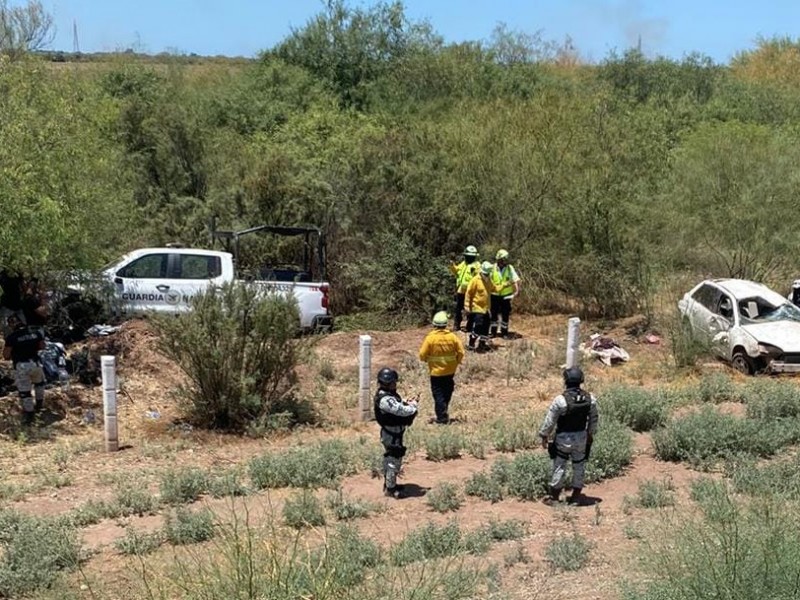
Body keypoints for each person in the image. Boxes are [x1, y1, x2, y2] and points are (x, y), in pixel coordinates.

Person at [538, 366, 599, 505]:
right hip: (581, 437)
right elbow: (594, 419)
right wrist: (590, 434)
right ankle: (576, 497)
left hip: (563, 438)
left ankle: (554, 497)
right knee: (579, 465)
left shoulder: (560, 400)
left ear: (565, 381)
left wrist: (544, 435)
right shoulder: (590, 398)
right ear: (581, 380)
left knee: (559, 465)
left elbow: (550, 420)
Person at [374, 367, 418, 499]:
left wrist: (407, 403)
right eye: (394, 382)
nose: (395, 384)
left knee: (392, 458)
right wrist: (413, 405)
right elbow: (402, 411)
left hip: (394, 432)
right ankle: (391, 489)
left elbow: (399, 406)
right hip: (391, 434)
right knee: (393, 459)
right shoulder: (385, 399)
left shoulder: (388, 395)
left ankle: (389, 484)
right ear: (388, 383)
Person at [418, 311, 465, 424]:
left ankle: (442, 418)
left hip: (436, 372)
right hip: (450, 371)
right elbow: (461, 352)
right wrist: (457, 361)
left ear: (434, 325)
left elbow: (422, 354)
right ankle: (444, 411)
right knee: (447, 391)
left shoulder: (430, 338)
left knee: (438, 394)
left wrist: (425, 360)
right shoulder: (452, 337)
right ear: (446, 324)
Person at [3, 314, 46, 425]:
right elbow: (42, 346)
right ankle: (40, 406)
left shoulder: (12, 337)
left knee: (25, 392)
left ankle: (29, 415)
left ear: (11, 325)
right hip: (36, 363)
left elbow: (6, 356)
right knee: (39, 384)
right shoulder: (36, 333)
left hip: (22, 366)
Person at [465, 261, 497, 352]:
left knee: (486, 327)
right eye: (485, 273)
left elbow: (494, 288)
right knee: (478, 327)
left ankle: (482, 344)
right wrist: (467, 306)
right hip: (477, 308)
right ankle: (471, 344)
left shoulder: (488, 280)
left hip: (486, 309)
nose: (486, 275)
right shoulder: (475, 280)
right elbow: (468, 293)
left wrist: (506, 285)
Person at [490, 249, 521, 338]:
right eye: (503, 259)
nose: (505, 261)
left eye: (506, 259)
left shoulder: (509, 268)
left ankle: (504, 332)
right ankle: (493, 332)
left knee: (505, 314)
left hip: (506, 296)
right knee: (494, 314)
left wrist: (517, 291)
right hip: (494, 295)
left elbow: (515, 279)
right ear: (499, 259)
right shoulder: (492, 268)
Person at [449, 246, 481, 332]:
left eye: (470, 256)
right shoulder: (464, 263)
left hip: (471, 292)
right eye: (467, 256)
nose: (468, 258)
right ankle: (457, 324)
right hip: (461, 291)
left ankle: (469, 326)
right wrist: (452, 265)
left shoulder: (477, 266)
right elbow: (456, 271)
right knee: (458, 308)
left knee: (470, 309)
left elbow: (478, 279)